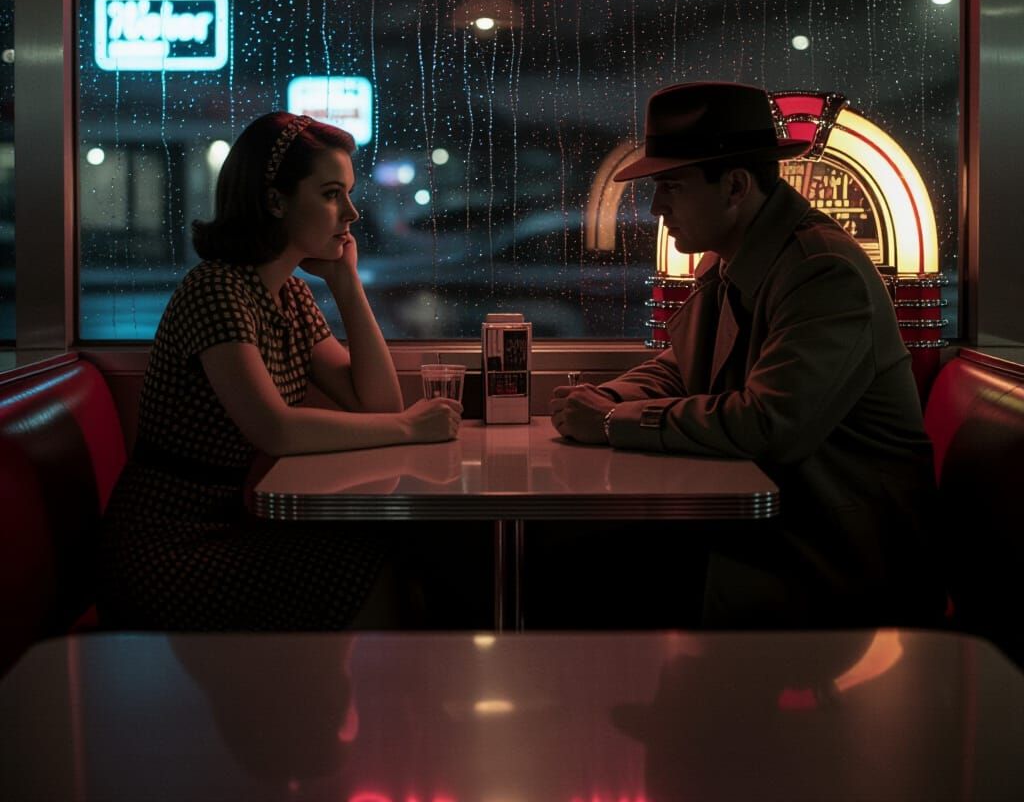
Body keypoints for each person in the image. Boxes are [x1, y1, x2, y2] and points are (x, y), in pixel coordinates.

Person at [551, 81, 944, 629]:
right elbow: (681, 365)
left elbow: (770, 424)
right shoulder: (734, 257)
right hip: (783, 527)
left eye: (671, 186)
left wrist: (614, 421)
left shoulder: (822, 270)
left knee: (585, 569)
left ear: (735, 186)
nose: (657, 206)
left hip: (838, 556)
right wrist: (605, 397)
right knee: (577, 555)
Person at [98, 111, 462, 631]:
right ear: (275, 201)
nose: (353, 213)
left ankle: (343, 705)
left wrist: (346, 284)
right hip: (174, 546)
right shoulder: (215, 289)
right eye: (332, 194)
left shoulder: (287, 293)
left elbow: (376, 403)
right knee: (376, 558)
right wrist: (410, 428)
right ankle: (348, 707)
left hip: (238, 521)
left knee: (394, 547)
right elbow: (275, 428)